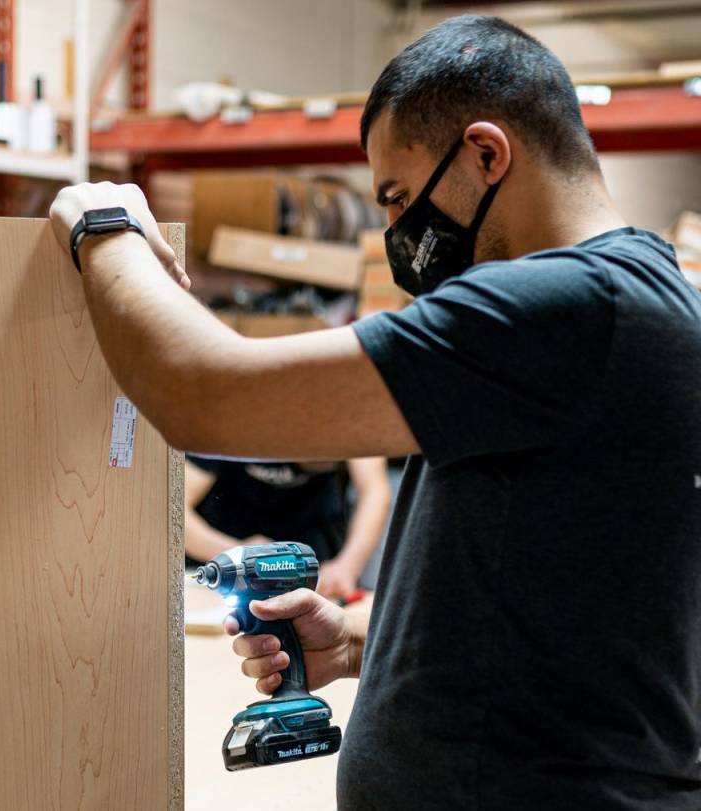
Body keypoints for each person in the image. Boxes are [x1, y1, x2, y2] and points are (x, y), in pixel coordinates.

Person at [48, 14, 701, 810]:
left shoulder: (566, 307)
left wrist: (103, 223)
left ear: (487, 154)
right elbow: (580, 609)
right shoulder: (638, 299)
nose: (396, 234)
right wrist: (368, 642)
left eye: (398, 198)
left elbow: (204, 392)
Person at [184, 455, 392, 600]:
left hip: (311, 551)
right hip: (225, 550)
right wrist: (237, 554)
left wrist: (347, 566)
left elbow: (374, 492)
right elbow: (175, 509)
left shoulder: (347, 413)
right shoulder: (231, 415)